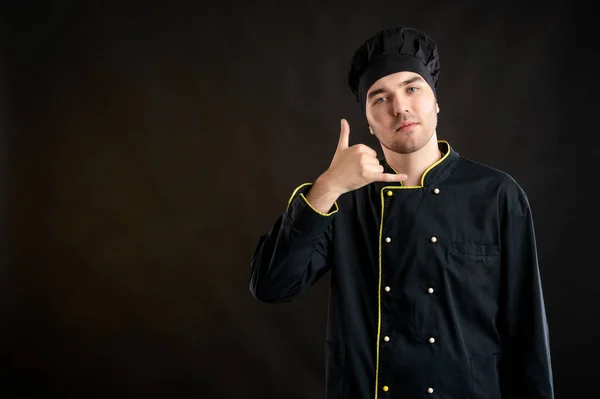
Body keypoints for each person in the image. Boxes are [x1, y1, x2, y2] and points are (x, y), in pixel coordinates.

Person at [249, 26, 554, 399]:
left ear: (436, 101)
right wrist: (327, 186)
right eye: (380, 98)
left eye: (412, 88)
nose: (400, 107)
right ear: (368, 121)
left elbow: (527, 335)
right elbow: (270, 286)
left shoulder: (496, 195)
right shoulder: (344, 199)